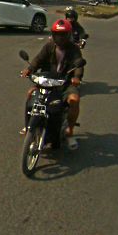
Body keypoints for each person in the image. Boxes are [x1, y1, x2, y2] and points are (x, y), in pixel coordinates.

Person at [20, 18, 85, 150]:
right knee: (31, 93)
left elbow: (79, 65)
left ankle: (70, 130)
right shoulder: (49, 46)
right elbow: (38, 59)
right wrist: (29, 69)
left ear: (68, 35)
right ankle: (28, 126)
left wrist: (76, 77)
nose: (60, 38)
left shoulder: (74, 49)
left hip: (65, 83)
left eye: (63, 35)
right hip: (47, 80)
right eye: (57, 34)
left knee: (74, 99)